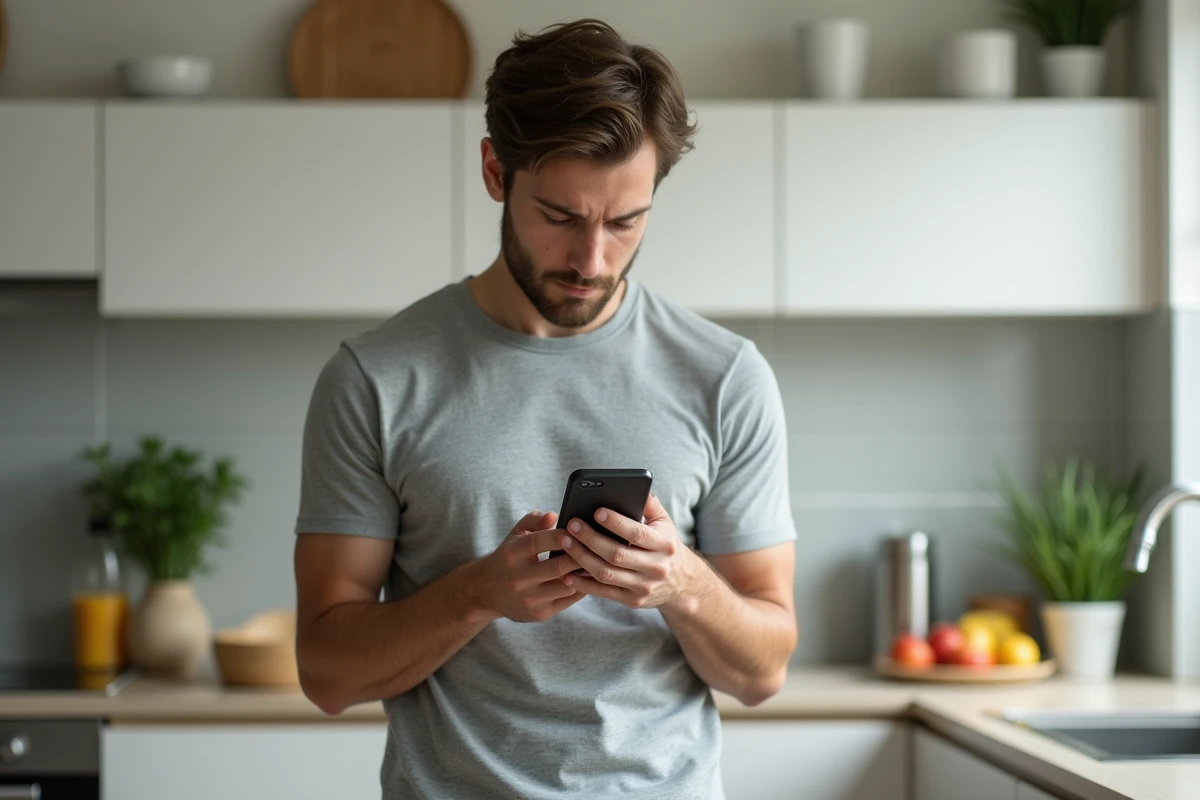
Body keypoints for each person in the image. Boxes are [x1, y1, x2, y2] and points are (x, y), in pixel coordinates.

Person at [293, 18, 797, 800]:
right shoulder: (376, 379)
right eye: (560, 217)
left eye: (625, 221)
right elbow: (327, 674)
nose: (590, 261)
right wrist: (479, 594)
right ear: (496, 170)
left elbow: (764, 669)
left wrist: (681, 585)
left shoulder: (725, 377)